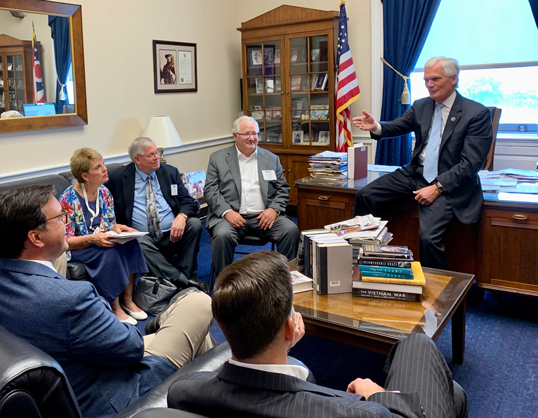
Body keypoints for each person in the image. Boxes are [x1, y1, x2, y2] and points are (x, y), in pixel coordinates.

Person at [0, 185, 215, 418]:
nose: (66, 223)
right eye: (60, 218)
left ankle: (211, 395)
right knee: (198, 303)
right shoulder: (69, 298)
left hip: (70, 383)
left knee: (198, 334)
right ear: (36, 237)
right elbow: (131, 348)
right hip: (116, 396)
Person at [168, 251, 465, 418]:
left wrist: (281, 344)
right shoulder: (361, 413)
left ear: (220, 325)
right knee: (418, 345)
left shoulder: (183, 390)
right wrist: (376, 393)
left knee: (453, 394)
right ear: (289, 327)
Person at [352, 57, 493, 269]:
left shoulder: (476, 113)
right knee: (365, 196)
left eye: (435, 79)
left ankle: (438, 289)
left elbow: (471, 164)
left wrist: (437, 187)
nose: (429, 84)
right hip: (415, 174)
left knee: (428, 238)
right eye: (426, 79)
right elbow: (397, 126)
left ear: (454, 79)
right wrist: (376, 126)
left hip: (448, 183)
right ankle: (364, 260)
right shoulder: (421, 106)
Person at [59, 148, 148, 324]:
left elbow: (108, 224)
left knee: (131, 243)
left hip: (101, 239)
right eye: (98, 167)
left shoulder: (104, 192)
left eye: (103, 164)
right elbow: (66, 241)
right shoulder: (67, 200)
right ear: (85, 176)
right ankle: (115, 308)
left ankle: (128, 301)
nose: (104, 169)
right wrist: (93, 239)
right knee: (110, 251)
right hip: (79, 246)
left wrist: (118, 228)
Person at [106, 137, 207, 292]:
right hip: (141, 236)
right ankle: (183, 281)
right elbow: (99, 199)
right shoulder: (118, 177)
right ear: (137, 159)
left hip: (172, 233)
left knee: (194, 224)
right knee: (137, 242)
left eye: (157, 152)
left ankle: (183, 273)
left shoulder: (169, 172)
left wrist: (181, 217)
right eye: (150, 155)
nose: (156, 157)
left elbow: (187, 201)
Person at [204, 116, 300, 277]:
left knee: (291, 231)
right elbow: (210, 191)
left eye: (255, 133)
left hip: (264, 217)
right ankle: (224, 283)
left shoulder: (271, 159)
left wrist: (274, 209)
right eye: (247, 134)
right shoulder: (218, 158)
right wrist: (227, 212)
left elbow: (283, 189)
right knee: (222, 236)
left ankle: (288, 278)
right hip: (231, 218)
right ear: (235, 136)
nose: (252, 138)